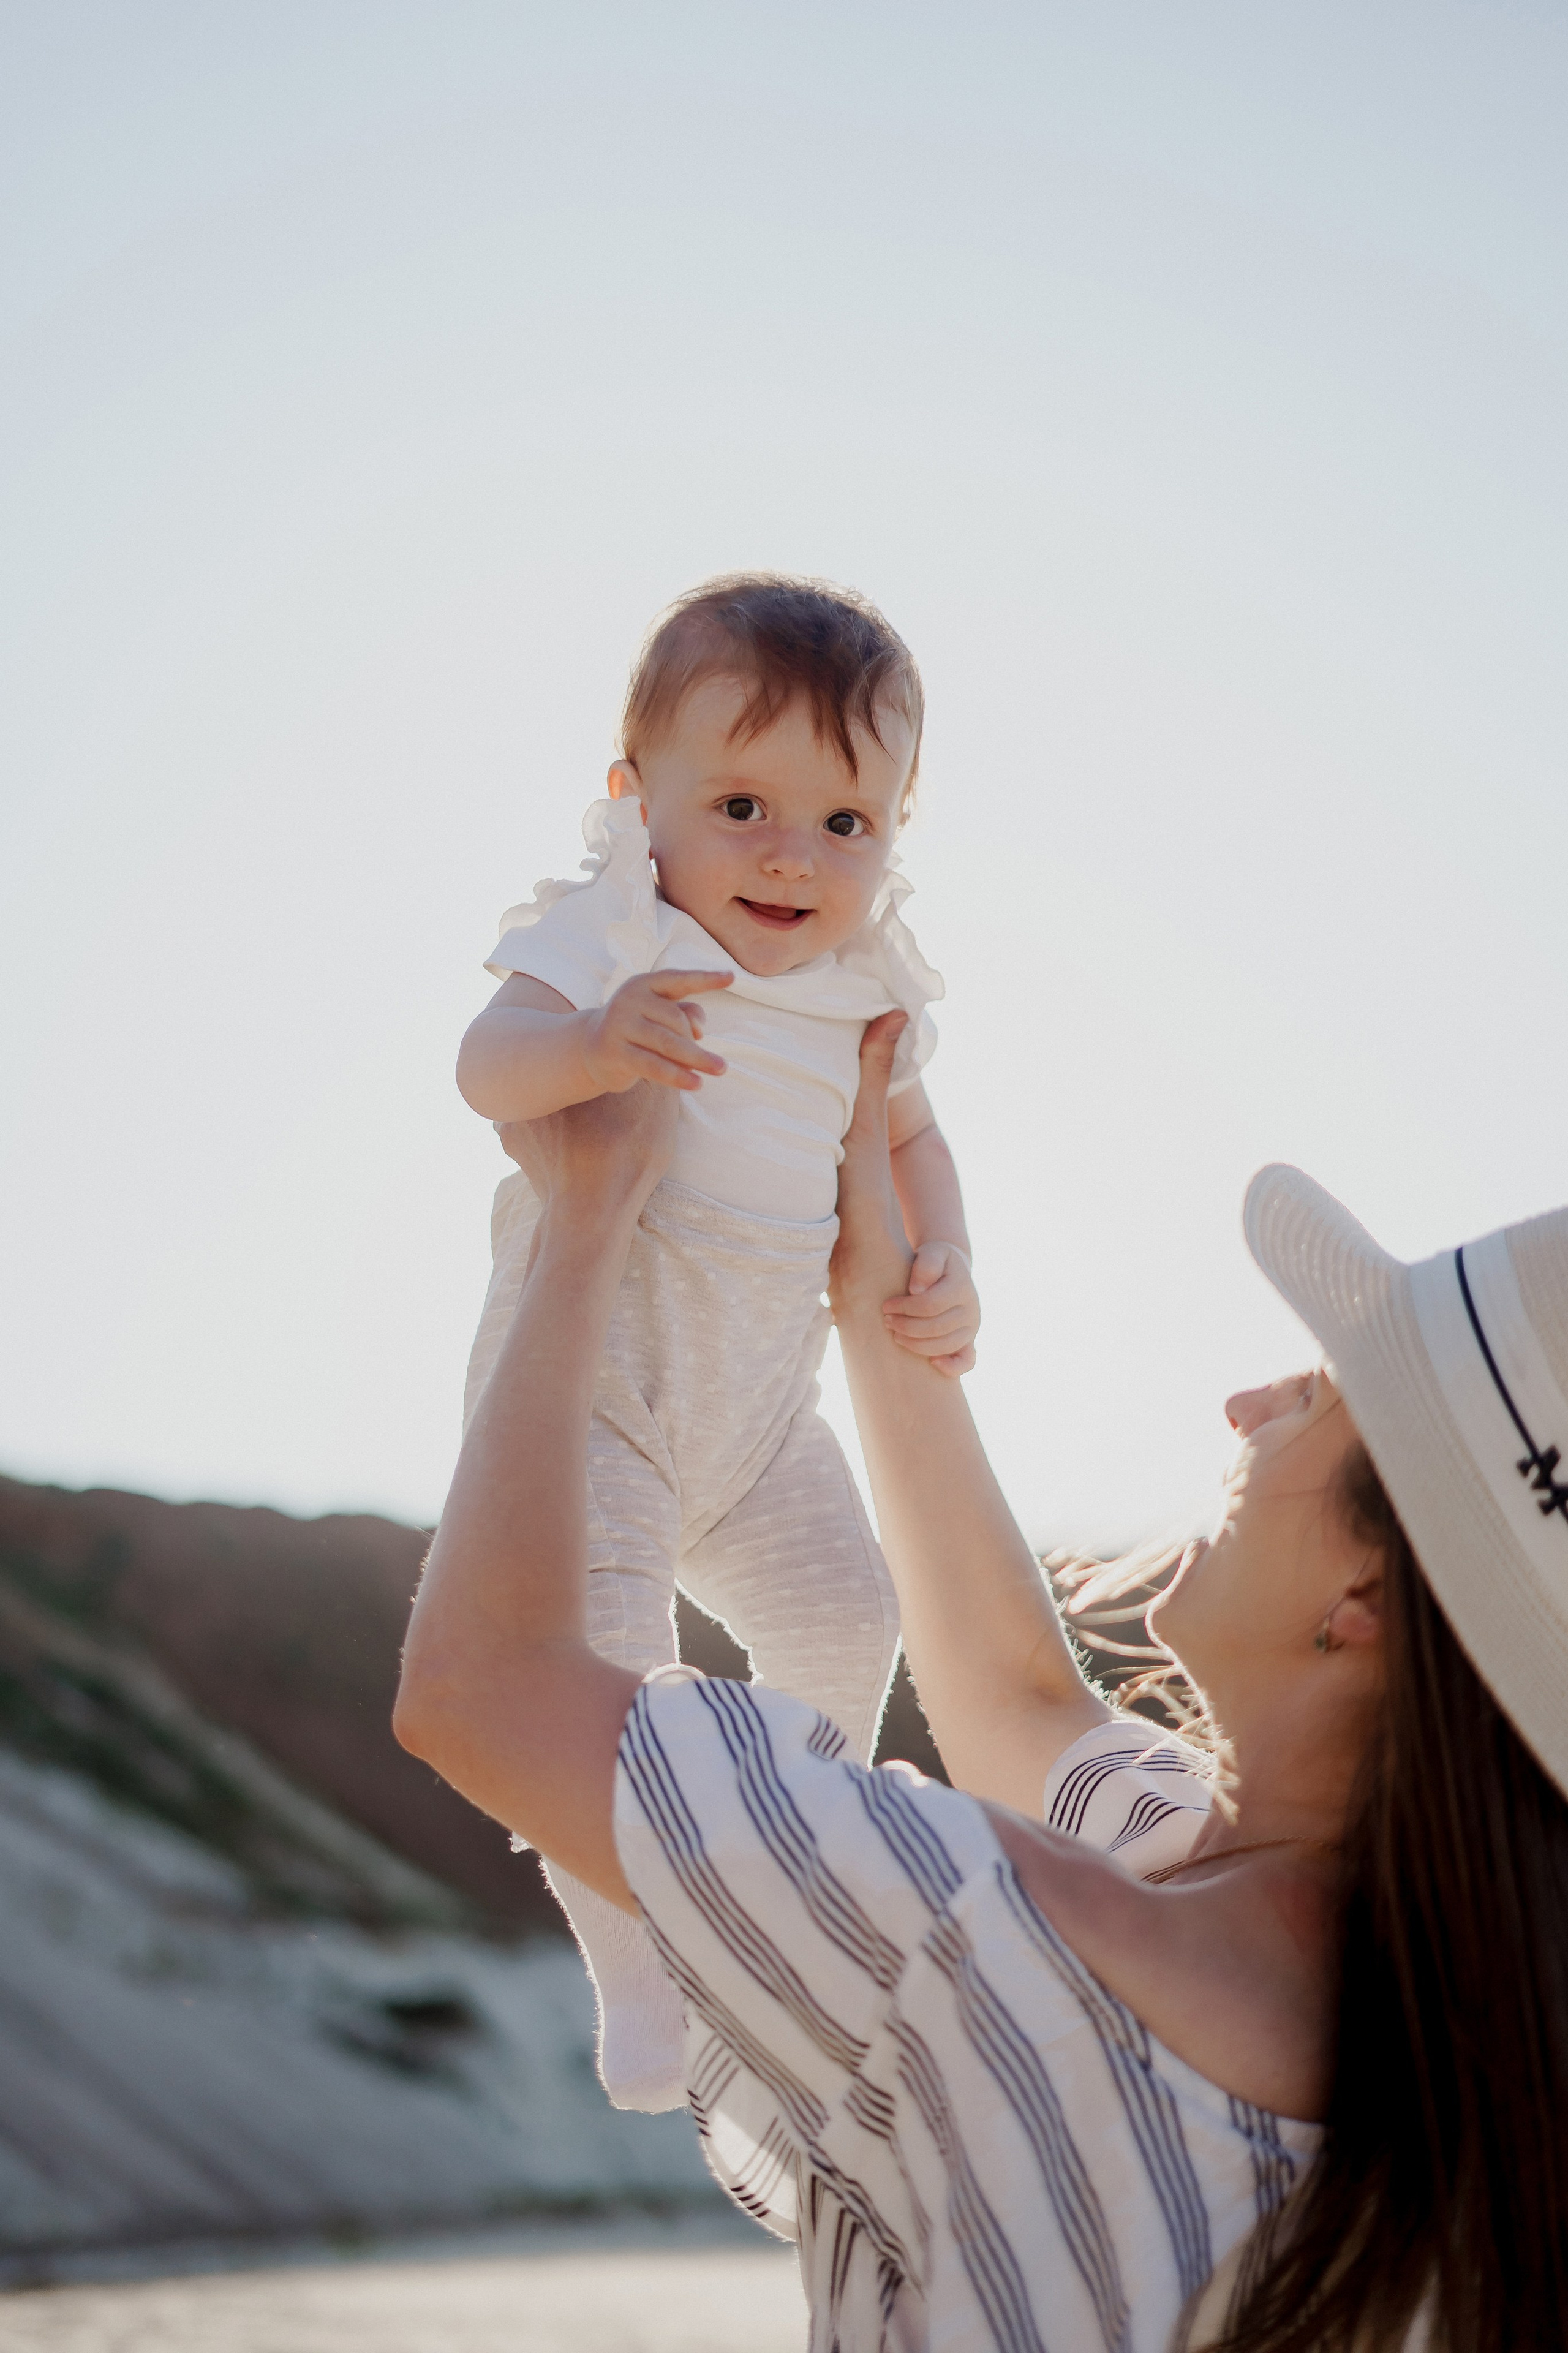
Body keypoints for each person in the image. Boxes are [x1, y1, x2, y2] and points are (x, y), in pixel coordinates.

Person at [397, 1017, 1568, 2351]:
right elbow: (1018, 1695)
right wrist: (872, 1286)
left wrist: (582, 1224)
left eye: (1319, 1397)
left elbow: (481, 1684)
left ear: (1365, 1601)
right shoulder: (1460, 2056)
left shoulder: (985, 1932)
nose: (1246, 1405)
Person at [453, 575, 979, 2112]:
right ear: (635, 802)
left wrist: (946, 1257)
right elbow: (484, 1064)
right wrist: (587, 1043)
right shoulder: (617, 929)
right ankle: (633, 1969)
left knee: (848, 1613)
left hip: (758, 1407)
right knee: (613, 1664)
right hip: (595, 1386)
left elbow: (913, 1141)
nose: (790, 854)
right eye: (742, 804)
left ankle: (789, 1874)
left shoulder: (865, 985)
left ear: (893, 831)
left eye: (844, 822)